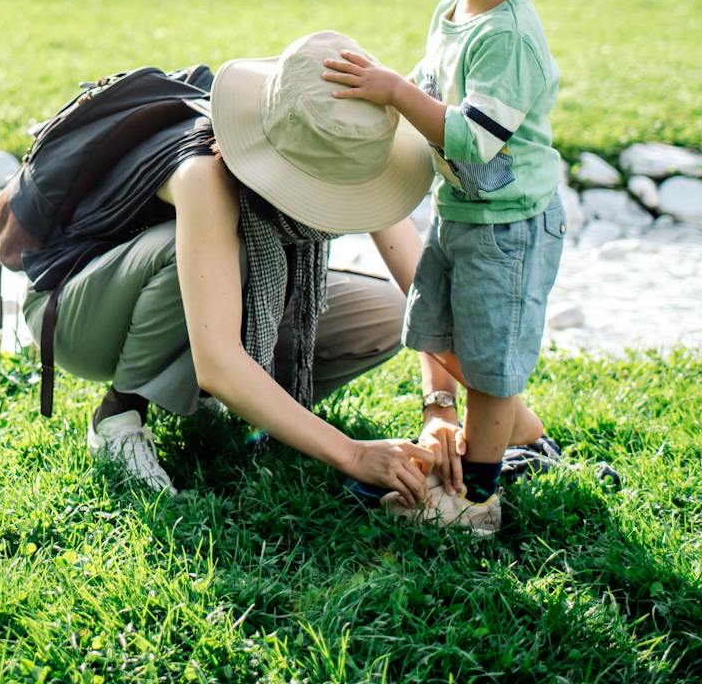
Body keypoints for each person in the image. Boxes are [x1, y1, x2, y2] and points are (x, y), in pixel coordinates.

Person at [22, 28, 453, 506]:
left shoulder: (348, 147)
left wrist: (444, 410)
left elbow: (425, 299)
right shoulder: (203, 173)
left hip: (177, 304)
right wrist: (352, 455)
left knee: (388, 313)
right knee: (225, 249)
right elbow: (219, 365)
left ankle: (222, 407)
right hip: (75, 316)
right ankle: (120, 418)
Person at [322, 0, 566, 537]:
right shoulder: (454, 10)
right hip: (463, 217)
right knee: (432, 323)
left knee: (490, 362)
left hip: (508, 229)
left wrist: (397, 92)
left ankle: (480, 498)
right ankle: (448, 444)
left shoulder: (509, 39)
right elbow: (432, 99)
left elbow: (473, 141)